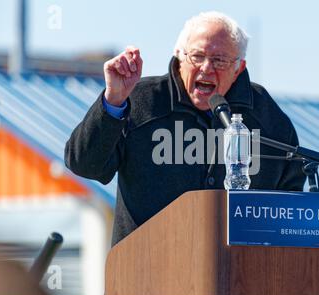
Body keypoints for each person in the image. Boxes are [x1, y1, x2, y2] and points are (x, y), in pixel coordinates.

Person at [65, 12, 306, 246]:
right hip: (144, 276)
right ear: (179, 57)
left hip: (239, 278)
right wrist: (114, 100)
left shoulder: (265, 116)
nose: (206, 68)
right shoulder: (140, 101)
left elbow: (289, 204)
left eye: (219, 60)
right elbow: (84, 164)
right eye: (197, 56)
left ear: (239, 68)